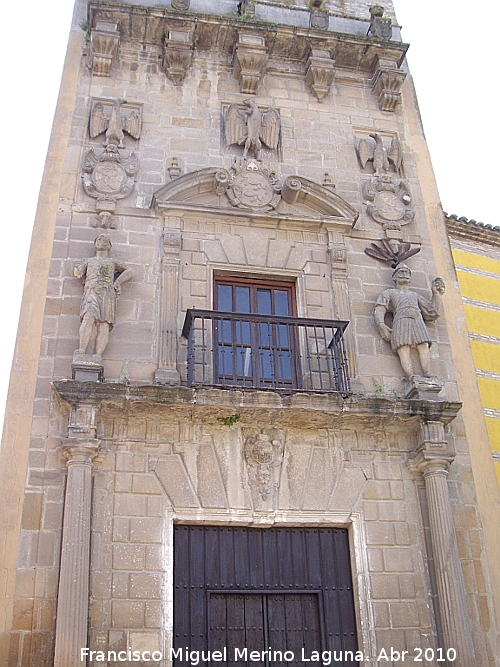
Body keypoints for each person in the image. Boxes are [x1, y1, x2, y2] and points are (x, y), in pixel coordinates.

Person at [374, 264, 445, 379]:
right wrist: (381, 324)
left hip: (417, 320)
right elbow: (380, 307)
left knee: (423, 344)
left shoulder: (415, 295)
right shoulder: (390, 293)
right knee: (403, 347)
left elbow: (432, 312)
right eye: (401, 272)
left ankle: (426, 373)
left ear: (410, 278)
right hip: (400, 321)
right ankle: (410, 376)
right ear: (394, 277)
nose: (404, 274)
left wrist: (436, 294)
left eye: (407, 272)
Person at [74, 234, 133, 358]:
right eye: (99, 239)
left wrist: (117, 282)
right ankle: (81, 350)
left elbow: (130, 271)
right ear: (95, 243)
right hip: (91, 291)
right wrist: (78, 268)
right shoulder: (88, 261)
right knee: (88, 317)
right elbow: (78, 272)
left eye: (105, 240)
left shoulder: (112, 262)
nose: (101, 241)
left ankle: (98, 355)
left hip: (107, 293)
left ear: (110, 245)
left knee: (104, 324)